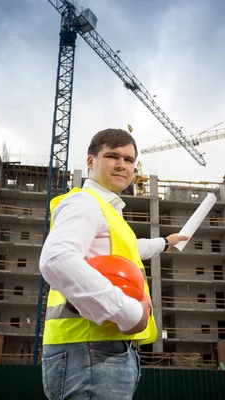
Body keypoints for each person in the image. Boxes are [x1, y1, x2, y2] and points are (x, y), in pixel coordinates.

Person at [39, 128, 188, 399]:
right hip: (89, 350)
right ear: (90, 161)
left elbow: (133, 249)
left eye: (129, 160)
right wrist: (129, 313)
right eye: (112, 156)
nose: (122, 165)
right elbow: (56, 259)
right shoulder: (85, 203)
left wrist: (166, 242)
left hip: (98, 351)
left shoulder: (108, 212)